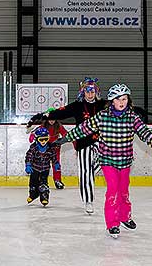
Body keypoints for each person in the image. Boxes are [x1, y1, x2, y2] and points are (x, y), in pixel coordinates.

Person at [53, 83, 152, 238]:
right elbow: (83, 128)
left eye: (124, 99)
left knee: (124, 192)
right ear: (111, 101)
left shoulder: (132, 118)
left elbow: (146, 133)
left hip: (125, 161)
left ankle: (125, 216)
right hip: (108, 160)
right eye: (118, 99)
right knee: (113, 191)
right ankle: (113, 223)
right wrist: (65, 139)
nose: (121, 102)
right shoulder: (102, 117)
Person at [44, 77, 106, 214]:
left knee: (103, 163)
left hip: (102, 141)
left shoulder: (103, 105)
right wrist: (46, 114)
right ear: (83, 92)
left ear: (96, 92)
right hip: (83, 142)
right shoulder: (77, 105)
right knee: (85, 171)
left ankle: (91, 174)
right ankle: (88, 200)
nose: (90, 94)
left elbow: (119, 109)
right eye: (87, 91)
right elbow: (62, 111)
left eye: (92, 91)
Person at [27, 108, 68, 189]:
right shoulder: (43, 125)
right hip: (44, 148)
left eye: (53, 118)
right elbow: (35, 132)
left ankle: (57, 180)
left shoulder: (59, 126)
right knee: (41, 164)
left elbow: (66, 134)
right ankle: (40, 181)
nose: (52, 121)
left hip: (55, 148)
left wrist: (63, 140)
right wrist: (32, 136)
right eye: (50, 118)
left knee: (56, 164)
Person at [25, 127, 58, 206]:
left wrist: (56, 163)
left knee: (43, 183)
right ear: (36, 139)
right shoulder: (33, 148)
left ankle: (44, 197)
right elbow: (29, 156)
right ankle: (33, 194)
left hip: (45, 169)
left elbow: (53, 157)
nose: (43, 142)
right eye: (41, 139)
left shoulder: (50, 148)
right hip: (35, 169)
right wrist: (28, 165)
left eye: (45, 139)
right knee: (33, 183)